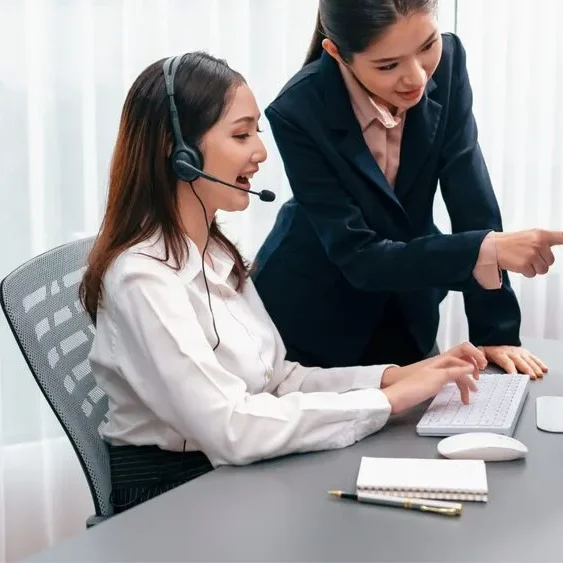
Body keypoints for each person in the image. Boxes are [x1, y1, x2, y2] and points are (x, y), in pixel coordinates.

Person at [81, 51, 484, 514]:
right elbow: (231, 427)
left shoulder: (213, 253)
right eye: (241, 133)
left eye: (256, 131)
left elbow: (280, 380)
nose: (260, 151)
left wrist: (398, 375)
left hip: (232, 471)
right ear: (181, 155)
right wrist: (386, 402)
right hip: (174, 497)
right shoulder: (143, 279)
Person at [252, 0, 562, 377]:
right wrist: (488, 250)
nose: (416, 77)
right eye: (388, 65)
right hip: (314, 314)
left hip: (409, 306)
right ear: (336, 53)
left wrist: (494, 332)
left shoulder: (448, 64)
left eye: (427, 46)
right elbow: (359, 256)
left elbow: (471, 198)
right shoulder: (297, 111)